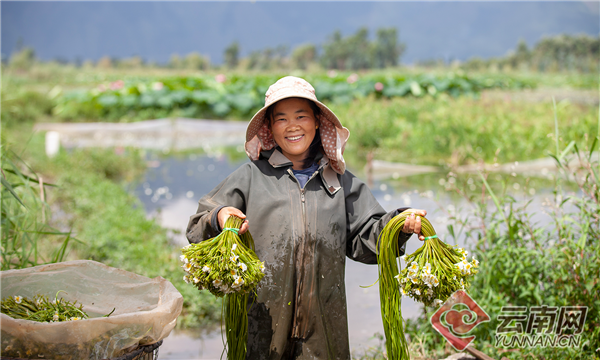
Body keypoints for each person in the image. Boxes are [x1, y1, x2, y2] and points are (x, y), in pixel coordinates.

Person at [186, 76, 427, 360]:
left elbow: (367, 238)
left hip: (324, 324)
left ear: (316, 122)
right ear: (270, 129)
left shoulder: (340, 183)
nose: (292, 126)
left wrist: (399, 225)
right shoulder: (252, 177)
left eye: (301, 116)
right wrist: (220, 216)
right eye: (281, 119)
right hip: (263, 322)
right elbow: (199, 224)